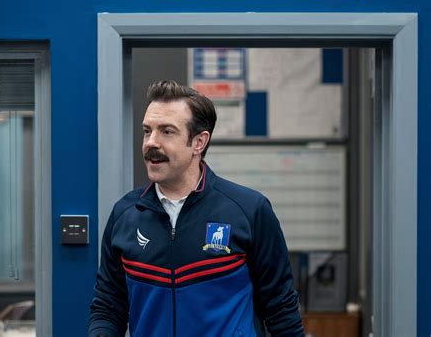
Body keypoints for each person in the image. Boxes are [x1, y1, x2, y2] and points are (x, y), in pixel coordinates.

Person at [88, 80, 304, 337]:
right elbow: (108, 307)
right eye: (148, 131)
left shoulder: (249, 210)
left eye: (167, 132)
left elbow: (280, 308)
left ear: (199, 142)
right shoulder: (125, 215)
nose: (150, 143)